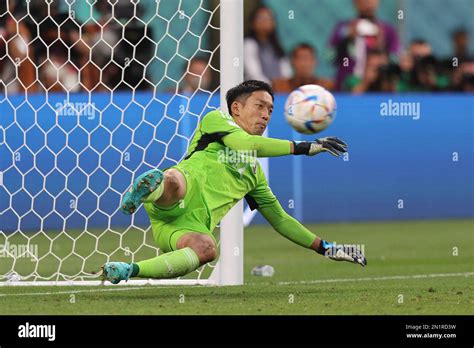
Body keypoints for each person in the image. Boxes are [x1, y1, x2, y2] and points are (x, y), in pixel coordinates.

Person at [100, 80, 366, 284]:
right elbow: (246, 143)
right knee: (176, 180)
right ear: (236, 108)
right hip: (176, 195)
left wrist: (327, 248)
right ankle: (149, 190)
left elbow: (281, 219)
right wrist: (304, 147)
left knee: (207, 249)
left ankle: (127, 270)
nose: (266, 115)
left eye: (271, 110)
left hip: (181, 230)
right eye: (259, 106)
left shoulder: (253, 175)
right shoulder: (216, 120)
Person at [329, 0, 399, 90]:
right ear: (355, 3)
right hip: (346, 90)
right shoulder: (343, 28)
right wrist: (347, 39)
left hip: (378, 90)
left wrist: (381, 46)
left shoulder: (387, 30)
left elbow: (396, 60)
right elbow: (330, 59)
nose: (368, 3)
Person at [244, 6, 291, 83]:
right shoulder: (249, 44)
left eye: (269, 18)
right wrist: (272, 86)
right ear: (252, 23)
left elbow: (286, 71)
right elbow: (253, 74)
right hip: (256, 90)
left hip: (279, 92)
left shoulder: (277, 45)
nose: (265, 21)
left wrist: (283, 85)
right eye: (261, 18)